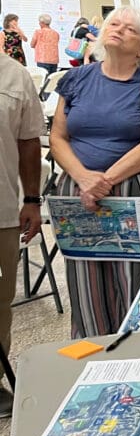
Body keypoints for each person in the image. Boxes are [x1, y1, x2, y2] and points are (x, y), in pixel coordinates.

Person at [50, 6, 140, 337]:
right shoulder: (75, 79)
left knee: (134, 282)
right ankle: (93, 353)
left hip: (132, 191)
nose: (118, 30)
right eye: (114, 24)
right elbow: (58, 137)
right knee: (84, 282)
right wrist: (83, 178)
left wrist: (103, 181)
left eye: (130, 29)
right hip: (78, 190)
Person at [0, 51, 44, 416]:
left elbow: (29, 141)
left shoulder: (14, 76)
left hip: (2, 212)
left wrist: (32, 198)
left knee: (0, 301)